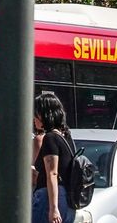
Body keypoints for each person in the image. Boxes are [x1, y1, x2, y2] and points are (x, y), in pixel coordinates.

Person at [33, 91, 74, 223]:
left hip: (48, 197)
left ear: (44, 114)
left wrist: (53, 208)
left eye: (36, 114)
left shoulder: (50, 138)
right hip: (65, 197)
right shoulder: (66, 137)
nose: (33, 119)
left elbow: (52, 173)